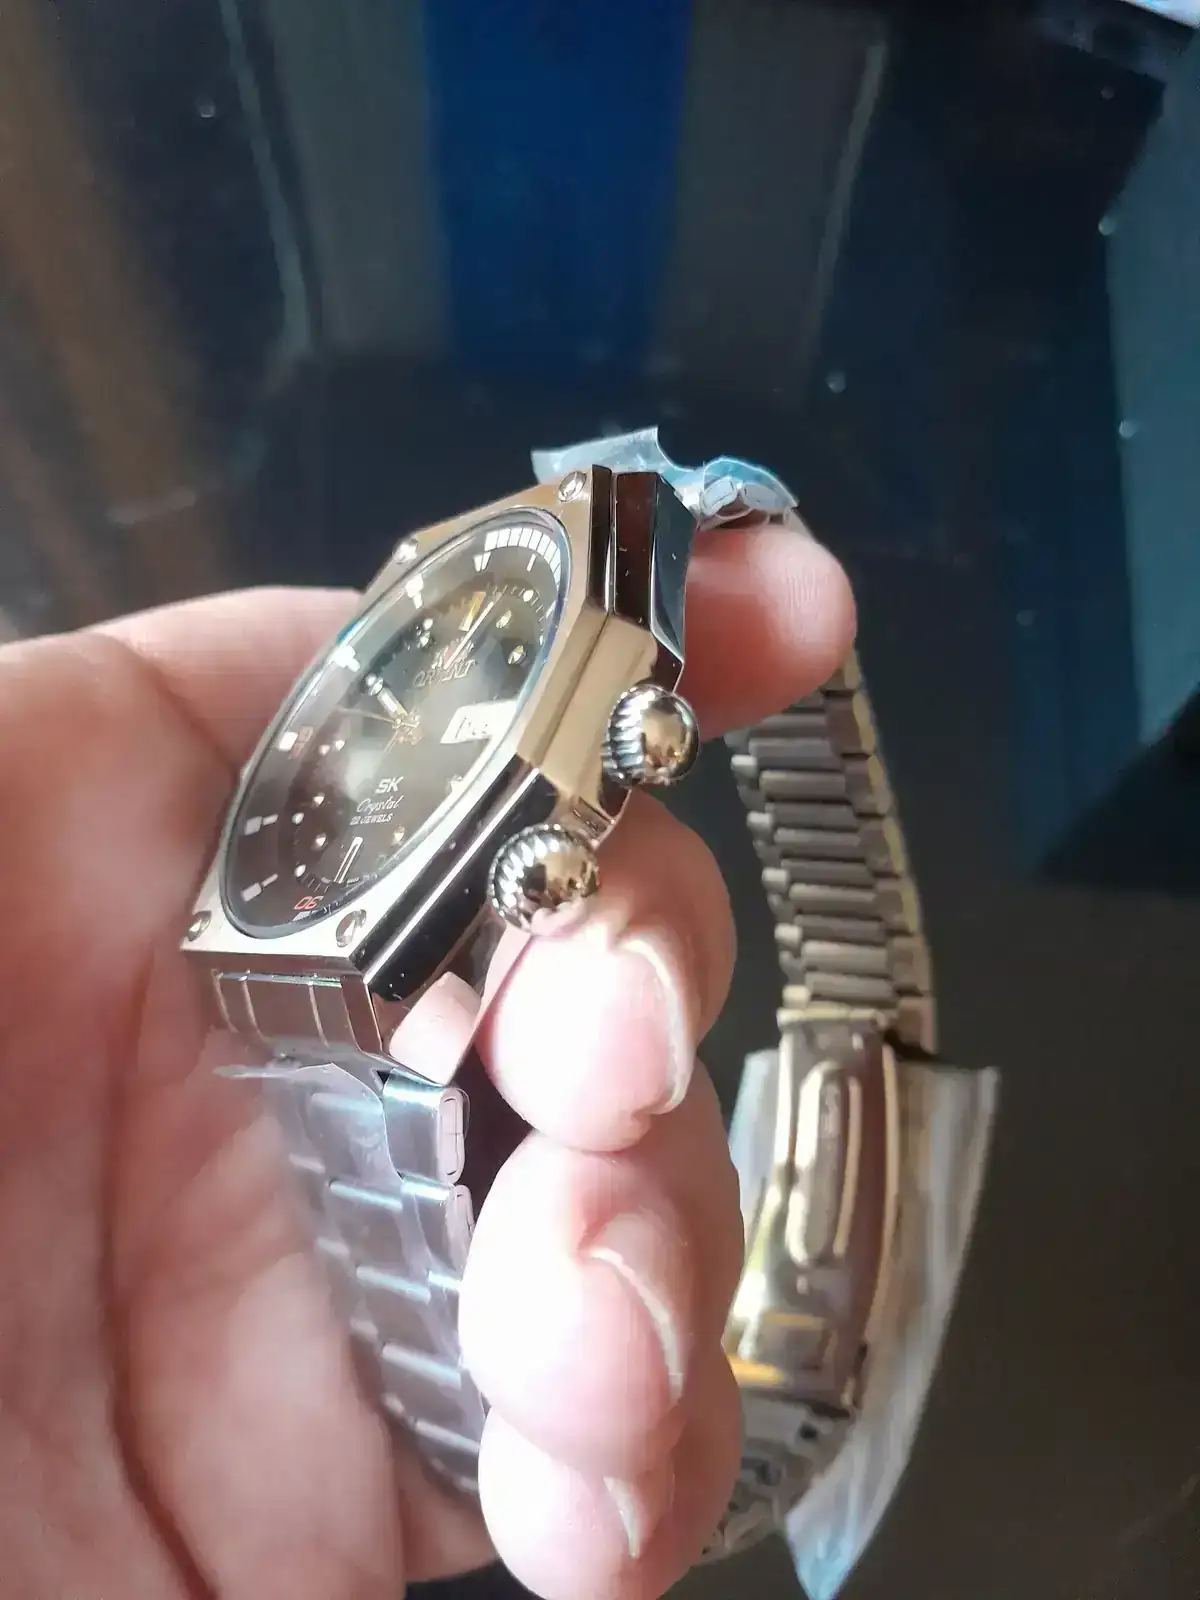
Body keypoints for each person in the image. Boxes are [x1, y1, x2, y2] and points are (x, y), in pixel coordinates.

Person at [0, 522, 853, 1599]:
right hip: (306, 934)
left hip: (359, 960)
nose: (401, 720)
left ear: (645, 739)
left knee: (607, 1050)